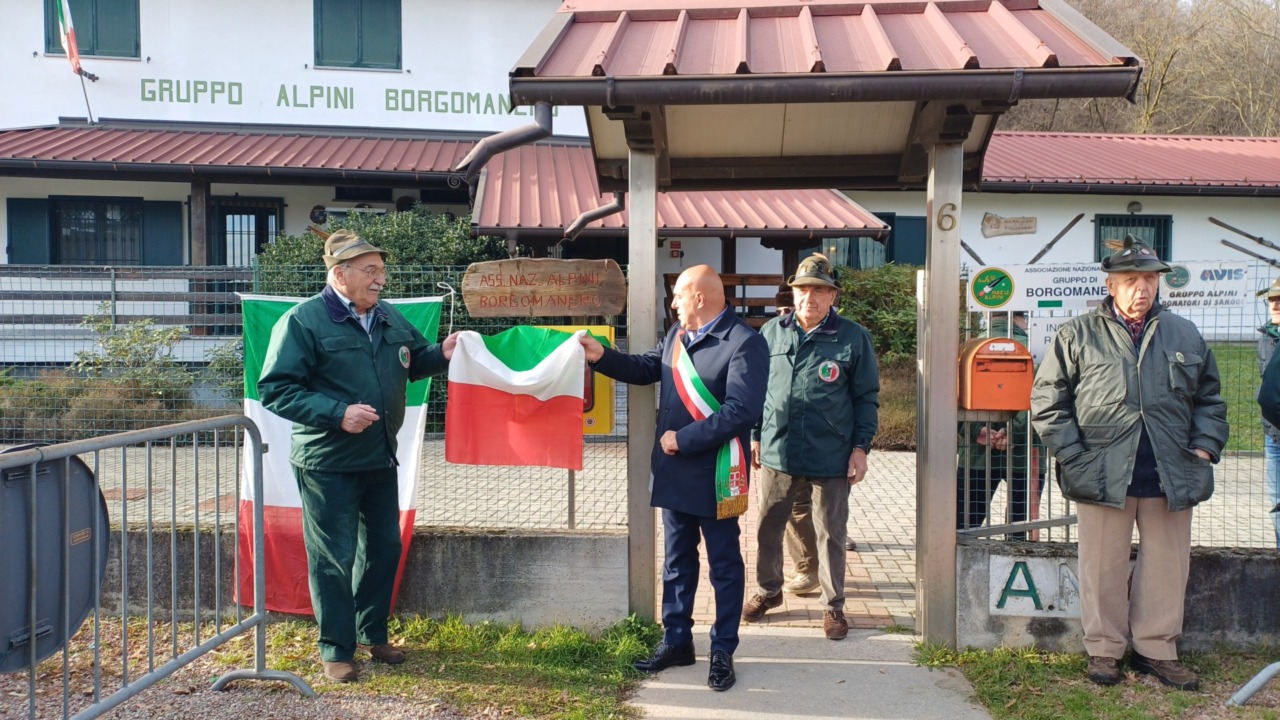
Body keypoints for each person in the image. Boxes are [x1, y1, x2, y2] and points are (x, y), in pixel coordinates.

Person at [258, 230, 459, 683]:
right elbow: (275, 389)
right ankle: (336, 648)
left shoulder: (386, 315)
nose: (380, 279)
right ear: (339, 274)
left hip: (379, 457)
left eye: (382, 271)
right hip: (328, 462)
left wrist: (442, 353)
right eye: (371, 271)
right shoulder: (303, 321)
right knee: (334, 557)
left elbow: (414, 360)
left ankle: (373, 633)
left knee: (384, 548)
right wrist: (338, 414)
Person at [1030, 235, 1227, 691]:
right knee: (1102, 566)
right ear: (1111, 285)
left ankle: (1157, 649)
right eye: (1132, 280)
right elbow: (1048, 403)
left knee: (1168, 566)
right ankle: (1104, 648)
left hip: (1170, 472)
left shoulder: (1184, 334)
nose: (1143, 288)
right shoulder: (1077, 334)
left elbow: (1210, 400)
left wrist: (1202, 448)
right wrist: (1073, 456)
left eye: (1150, 279)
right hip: (1102, 474)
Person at [578, 265, 768, 692]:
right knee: (677, 562)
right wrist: (600, 355)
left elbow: (741, 411)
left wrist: (683, 439)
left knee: (724, 565)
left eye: (679, 296)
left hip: (715, 474)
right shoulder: (677, 336)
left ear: (699, 297)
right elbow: (646, 367)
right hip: (674, 471)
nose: (674, 303)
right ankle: (677, 640)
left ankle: (722, 650)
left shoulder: (744, 342)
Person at [741, 254, 880, 640]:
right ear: (793, 293)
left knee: (830, 532)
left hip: (830, 453)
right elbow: (758, 389)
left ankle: (833, 606)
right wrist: (756, 435)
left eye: (819, 290)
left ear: (833, 296)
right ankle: (769, 591)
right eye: (803, 289)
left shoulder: (853, 337)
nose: (810, 297)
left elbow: (866, 397)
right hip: (778, 450)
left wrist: (860, 448)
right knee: (768, 527)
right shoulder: (772, 332)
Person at [956, 311, 1045, 540]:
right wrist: (1014, 433)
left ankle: (960, 562)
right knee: (1020, 529)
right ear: (1022, 318)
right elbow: (1043, 400)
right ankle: (1016, 558)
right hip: (1027, 455)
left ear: (988, 318)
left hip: (976, 455)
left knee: (964, 529)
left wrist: (975, 430)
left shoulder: (968, 349)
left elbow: (948, 398)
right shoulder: (1038, 350)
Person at [1256, 278, 1280, 548]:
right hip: (1273, 436)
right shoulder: (1265, 337)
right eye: (1272, 299)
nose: (1275, 305)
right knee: (1277, 503)